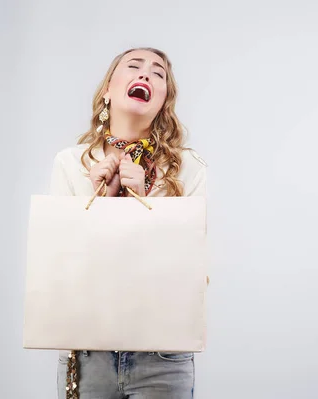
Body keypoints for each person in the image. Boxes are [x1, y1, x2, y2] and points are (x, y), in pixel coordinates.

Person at [49, 47, 207, 399]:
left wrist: (144, 204)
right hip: (88, 353)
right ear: (108, 89)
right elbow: (63, 263)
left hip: (163, 354)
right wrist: (103, 201)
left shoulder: (189, 168)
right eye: (133, 66)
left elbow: (193, 266)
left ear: (164, 99)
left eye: (158, 74)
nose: (146, 74)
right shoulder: (71, 164)